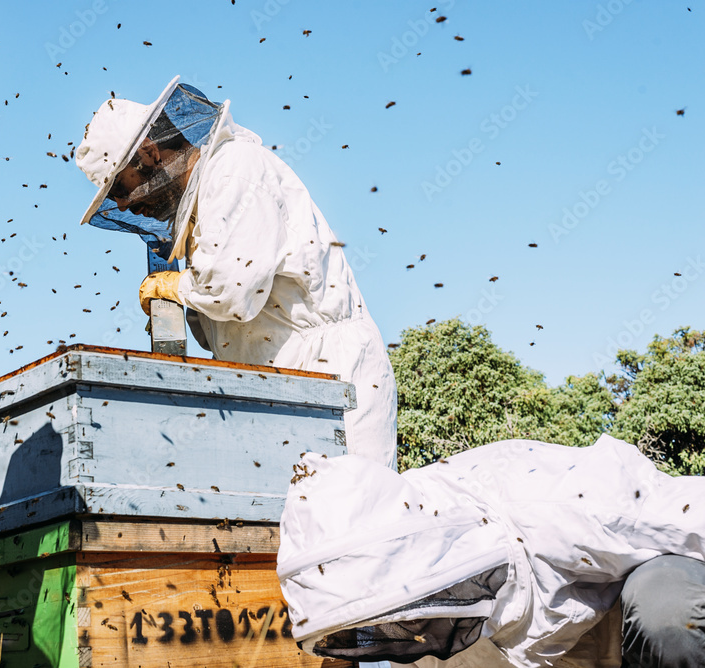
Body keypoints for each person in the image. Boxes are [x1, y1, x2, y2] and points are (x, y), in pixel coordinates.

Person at [75, 77, 398, 466]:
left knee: (349, 516)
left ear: (147, 154)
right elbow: (223, 327)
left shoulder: (234, 173)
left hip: (328, 371)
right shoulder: (207, 199)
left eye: (118, 190)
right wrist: (185, 307)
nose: (123, 205)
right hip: (278, 382)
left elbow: (231, 293)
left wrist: (176, 288)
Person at [277, 434, 705, 667]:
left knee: (666, 608)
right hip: (554, 648)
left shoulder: (558, 503)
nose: (395, 635)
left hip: (625, 604)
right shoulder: (422, 617)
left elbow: (680, 512)